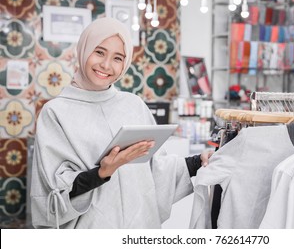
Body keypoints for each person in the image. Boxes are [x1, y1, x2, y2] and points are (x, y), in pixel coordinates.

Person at [30, 17, 213, 229]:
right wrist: (102, 173)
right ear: (84, 50)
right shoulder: (55, 112)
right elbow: (52, 191)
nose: (106, 65)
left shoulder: (134, 105)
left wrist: (198, 161)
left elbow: (157, 168)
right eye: (99, 52)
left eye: (118, 58)